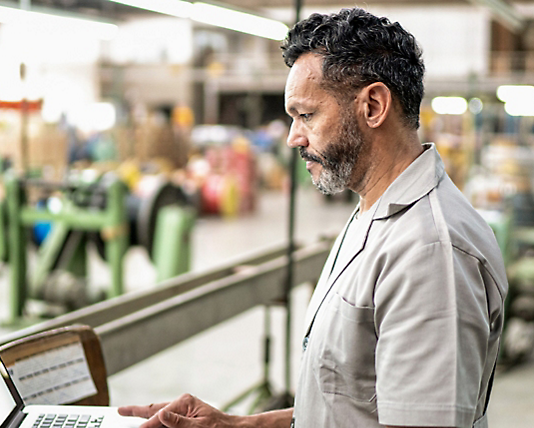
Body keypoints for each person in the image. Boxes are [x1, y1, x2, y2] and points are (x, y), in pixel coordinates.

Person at [119, 8, 508, 428]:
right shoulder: (375, 212)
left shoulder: (431, 252)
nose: (293, 138)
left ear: (373, 106)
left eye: (306, 115)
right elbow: (348, 407)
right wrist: (236, 425)